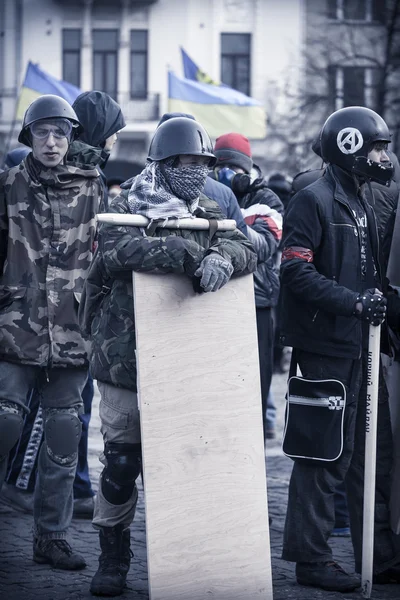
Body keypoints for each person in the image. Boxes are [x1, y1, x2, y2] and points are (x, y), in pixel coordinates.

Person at [79, 116, 257, 596]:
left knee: (187, 463)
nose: (196, 172)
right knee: (121, 464)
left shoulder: (209, 207)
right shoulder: (127, 204)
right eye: (186, 162)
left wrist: (222, 257)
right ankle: (113, 557)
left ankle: (191, 555)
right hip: (125, 359)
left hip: (185, 361)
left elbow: (246, 244)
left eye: (203, 163)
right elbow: (116, 252)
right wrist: (180, 250)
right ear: (163, 163)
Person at [280, 106, 400, 592]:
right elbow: (295, 271)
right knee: (324, 454)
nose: (385, 155)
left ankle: (381, 556)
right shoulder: (312, 200)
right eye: (378, 146)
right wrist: (353, 303)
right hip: (325, 346)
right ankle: (312, 559)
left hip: (366, 344)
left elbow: (378, 273)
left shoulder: (373, 199)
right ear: (349, 146)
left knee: (378, 454)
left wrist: (382, 307)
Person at [0, 94, 104, 569]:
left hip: (73, 328)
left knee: (64, 433)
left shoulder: (95, 189)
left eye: (61, 132)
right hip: (15, 324)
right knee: (5, 422)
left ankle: (52, 537)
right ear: (29, 137)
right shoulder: (8, 185)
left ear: (71, 139)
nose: (51, 141)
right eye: (42, 132)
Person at [212, 132, 283, 442]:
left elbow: (263, 247)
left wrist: (226, 218)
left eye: (234, 169)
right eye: (220, 168)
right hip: (215, 301)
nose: (228, 176)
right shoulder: (205, 193)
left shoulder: (268, 200)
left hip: (257, 304)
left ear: (247, 169)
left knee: (256, 383)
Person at [157, 112, 247, 235]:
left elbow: (241, 244)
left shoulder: (135, 193)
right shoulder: (224, 194)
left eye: (203, 163)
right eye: (191, 161)